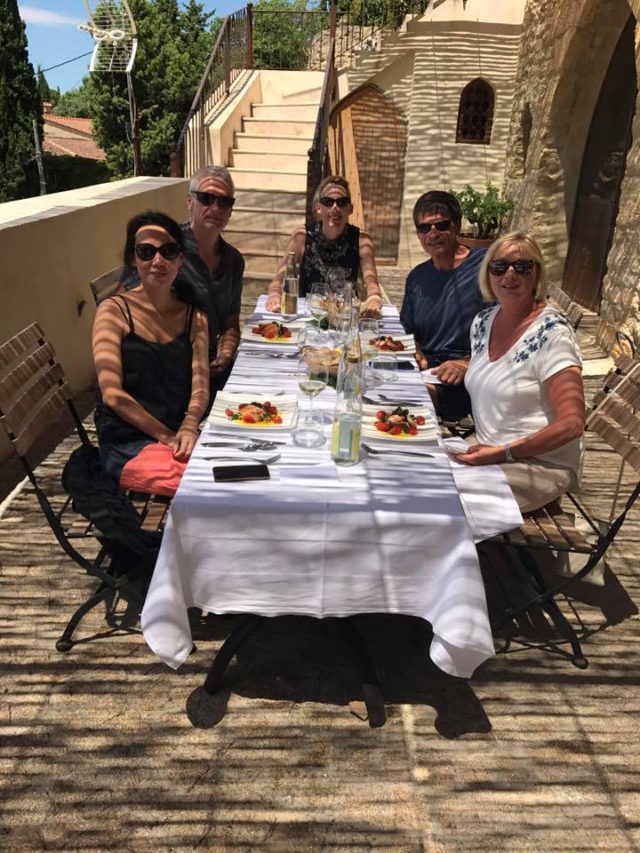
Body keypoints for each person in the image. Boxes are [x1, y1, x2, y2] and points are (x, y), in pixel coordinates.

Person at [454, 231, 585, 513]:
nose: (509, 275)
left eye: (522, 267)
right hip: (489, 449)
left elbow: (573, 424)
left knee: (441, 501)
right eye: (499, 267)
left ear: (536, 274)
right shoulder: (484, 321)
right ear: (488, 275)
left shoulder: (553, 335)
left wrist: (505, 452)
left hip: (538, 463)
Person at [93, 211, 209, 497]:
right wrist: (167, 436)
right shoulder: (113, 312)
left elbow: (201, 386)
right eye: (146, 252)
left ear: (181, 260)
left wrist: (189, 425)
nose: (158, 261)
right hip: (129, 442)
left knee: (239, 472)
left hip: (178, 437)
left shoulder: (195, 318)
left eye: (168, 251)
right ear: (133, 260)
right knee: (205, 485)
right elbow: (112, 395)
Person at [122, 165, 243, 396]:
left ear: (230, 210)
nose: (215, 207)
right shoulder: (162, 247)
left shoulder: (233, 261)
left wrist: (226, 352)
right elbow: (128, 307)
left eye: (224, 202)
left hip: (209, 368)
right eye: (207, 198)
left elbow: (230, 324)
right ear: (190, 202)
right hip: (164, 372)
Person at [400, 190, 485, 419]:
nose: (433, 234)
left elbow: (511, 331)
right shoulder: (417, 278)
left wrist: (467, 364)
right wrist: (416, 352)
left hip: (469, 378)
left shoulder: (487, 269)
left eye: (441, 225)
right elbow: (409, 332)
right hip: (427, 372)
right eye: (424, 228)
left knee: (401, 397)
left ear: (456, 225)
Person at [265, 175, 383, 316]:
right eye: (328, 202)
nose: (335, 208)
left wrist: (374, 301)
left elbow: (373, 286)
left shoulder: (362, 240)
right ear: (318, 208)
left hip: (345, 315)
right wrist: (274, 296)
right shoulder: (302, 236)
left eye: (342, 202)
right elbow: (277, 281)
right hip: (309, 315)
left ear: (350, 209)